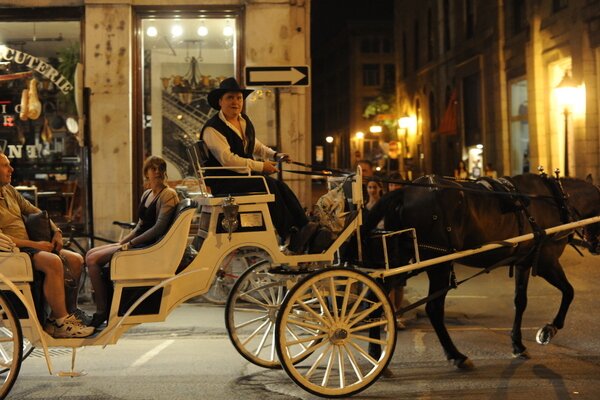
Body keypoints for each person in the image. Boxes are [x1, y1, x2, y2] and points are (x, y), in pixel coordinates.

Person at [201, 77, 316, 253]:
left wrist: (275, 155)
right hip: (223, 180)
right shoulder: (213, 128)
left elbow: (255, 145)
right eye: (230, 98)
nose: (236, 102)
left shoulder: (243, 120)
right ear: (220, 102)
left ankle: (304, 225)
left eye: (239, 98)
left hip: (239, 176)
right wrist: (262, 166)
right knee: (268, 184)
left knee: (279, 185)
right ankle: (288, 234)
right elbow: (228, 160)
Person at [0, 153, 94, 338]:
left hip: (31, 248)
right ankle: (61, 322)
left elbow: (34, 210)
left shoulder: (9, 191)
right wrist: (35, 244)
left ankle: (60, 316)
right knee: (53, 262)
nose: (11, 169)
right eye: (5, 166)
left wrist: (57, 231)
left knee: (76, 260)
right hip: (13, 251)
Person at [84, 156, 179, 328]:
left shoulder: (169, 194)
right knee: (90, 253)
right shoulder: (147, 194)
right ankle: (105, 307)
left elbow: (158, 229)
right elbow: (140, 225)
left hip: (150, 245)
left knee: (92, 260)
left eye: (160, 168)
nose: (157, 171)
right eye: (153, 168)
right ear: (146, 172)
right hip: (139, 241)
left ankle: (101, 311)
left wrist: (131, 244)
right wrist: (122, 242)